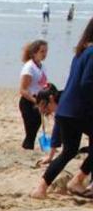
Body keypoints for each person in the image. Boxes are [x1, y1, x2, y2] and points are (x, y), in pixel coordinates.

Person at [32, 17, 93, 199]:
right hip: (79, 110)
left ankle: (41, 188)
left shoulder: (80, 53)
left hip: (65, 108)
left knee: (69, 151)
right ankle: (78, 180)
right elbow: (87, 83)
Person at [18, 39, 50, 150]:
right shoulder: (29, 67)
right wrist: (35, 101)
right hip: (28, 102)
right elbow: (23, 89)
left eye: (46, 51)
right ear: (34, 53)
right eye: (42, 51)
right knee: (30, 131)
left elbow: (43, 85)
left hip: (39, 101)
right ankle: (27, 149)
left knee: (35, 128)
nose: (45, 54)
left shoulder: (42, 66)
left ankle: (28, 148)